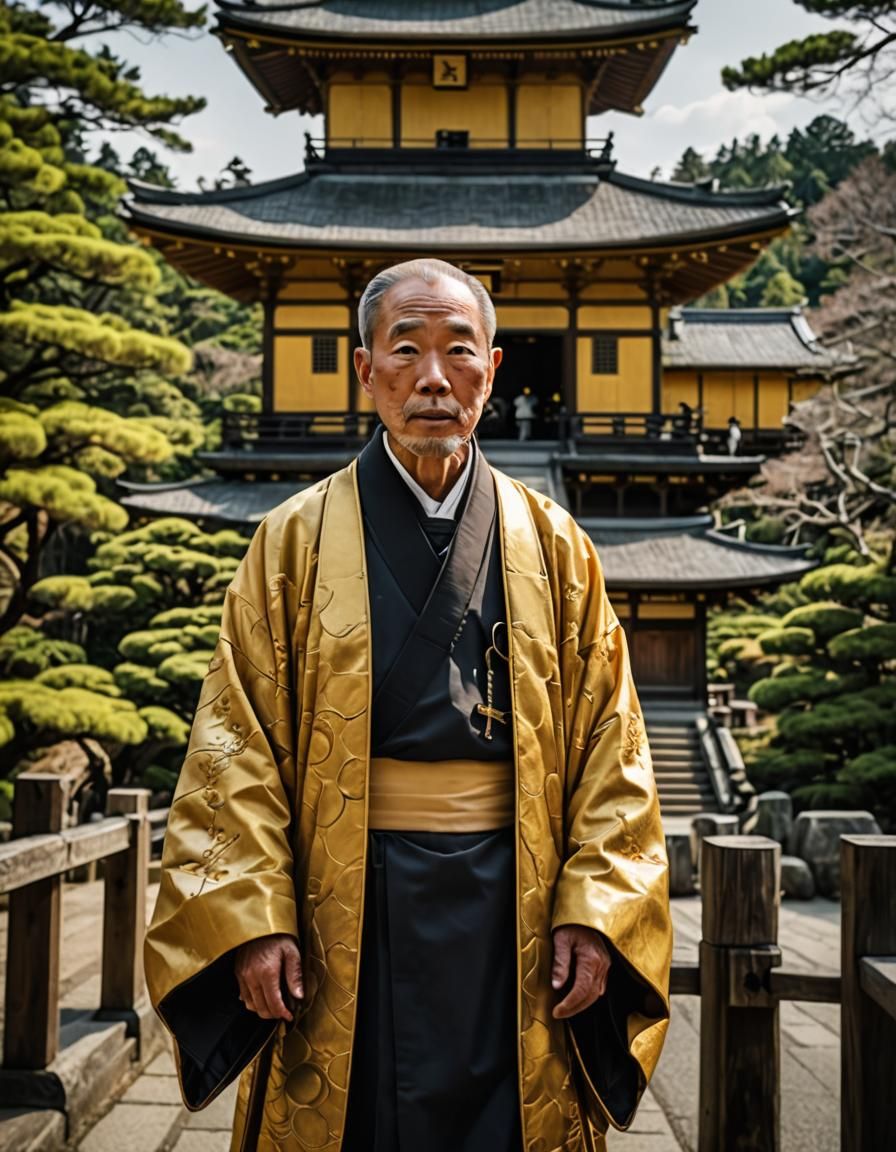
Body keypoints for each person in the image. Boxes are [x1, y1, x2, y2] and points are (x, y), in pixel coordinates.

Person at [144, 258, 672, 1152]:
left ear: (493, 370)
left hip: (519, 904)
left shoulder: (555, 545)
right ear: (365, 370)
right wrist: (252, 915)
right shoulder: (292, 542)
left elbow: (612, 751)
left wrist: (598, 905)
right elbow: (236, 747)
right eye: (406, 350)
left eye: (458, 351)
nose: (434, 377)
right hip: (342, 910)